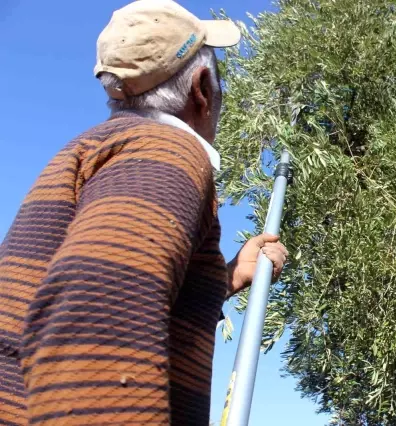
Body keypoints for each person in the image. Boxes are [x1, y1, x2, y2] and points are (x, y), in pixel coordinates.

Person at [0, 0, 288, 424]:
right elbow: (97, 307)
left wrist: (222, 280)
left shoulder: (93, 150)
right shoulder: (166, 149)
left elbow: (105, 283)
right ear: (202, 88)